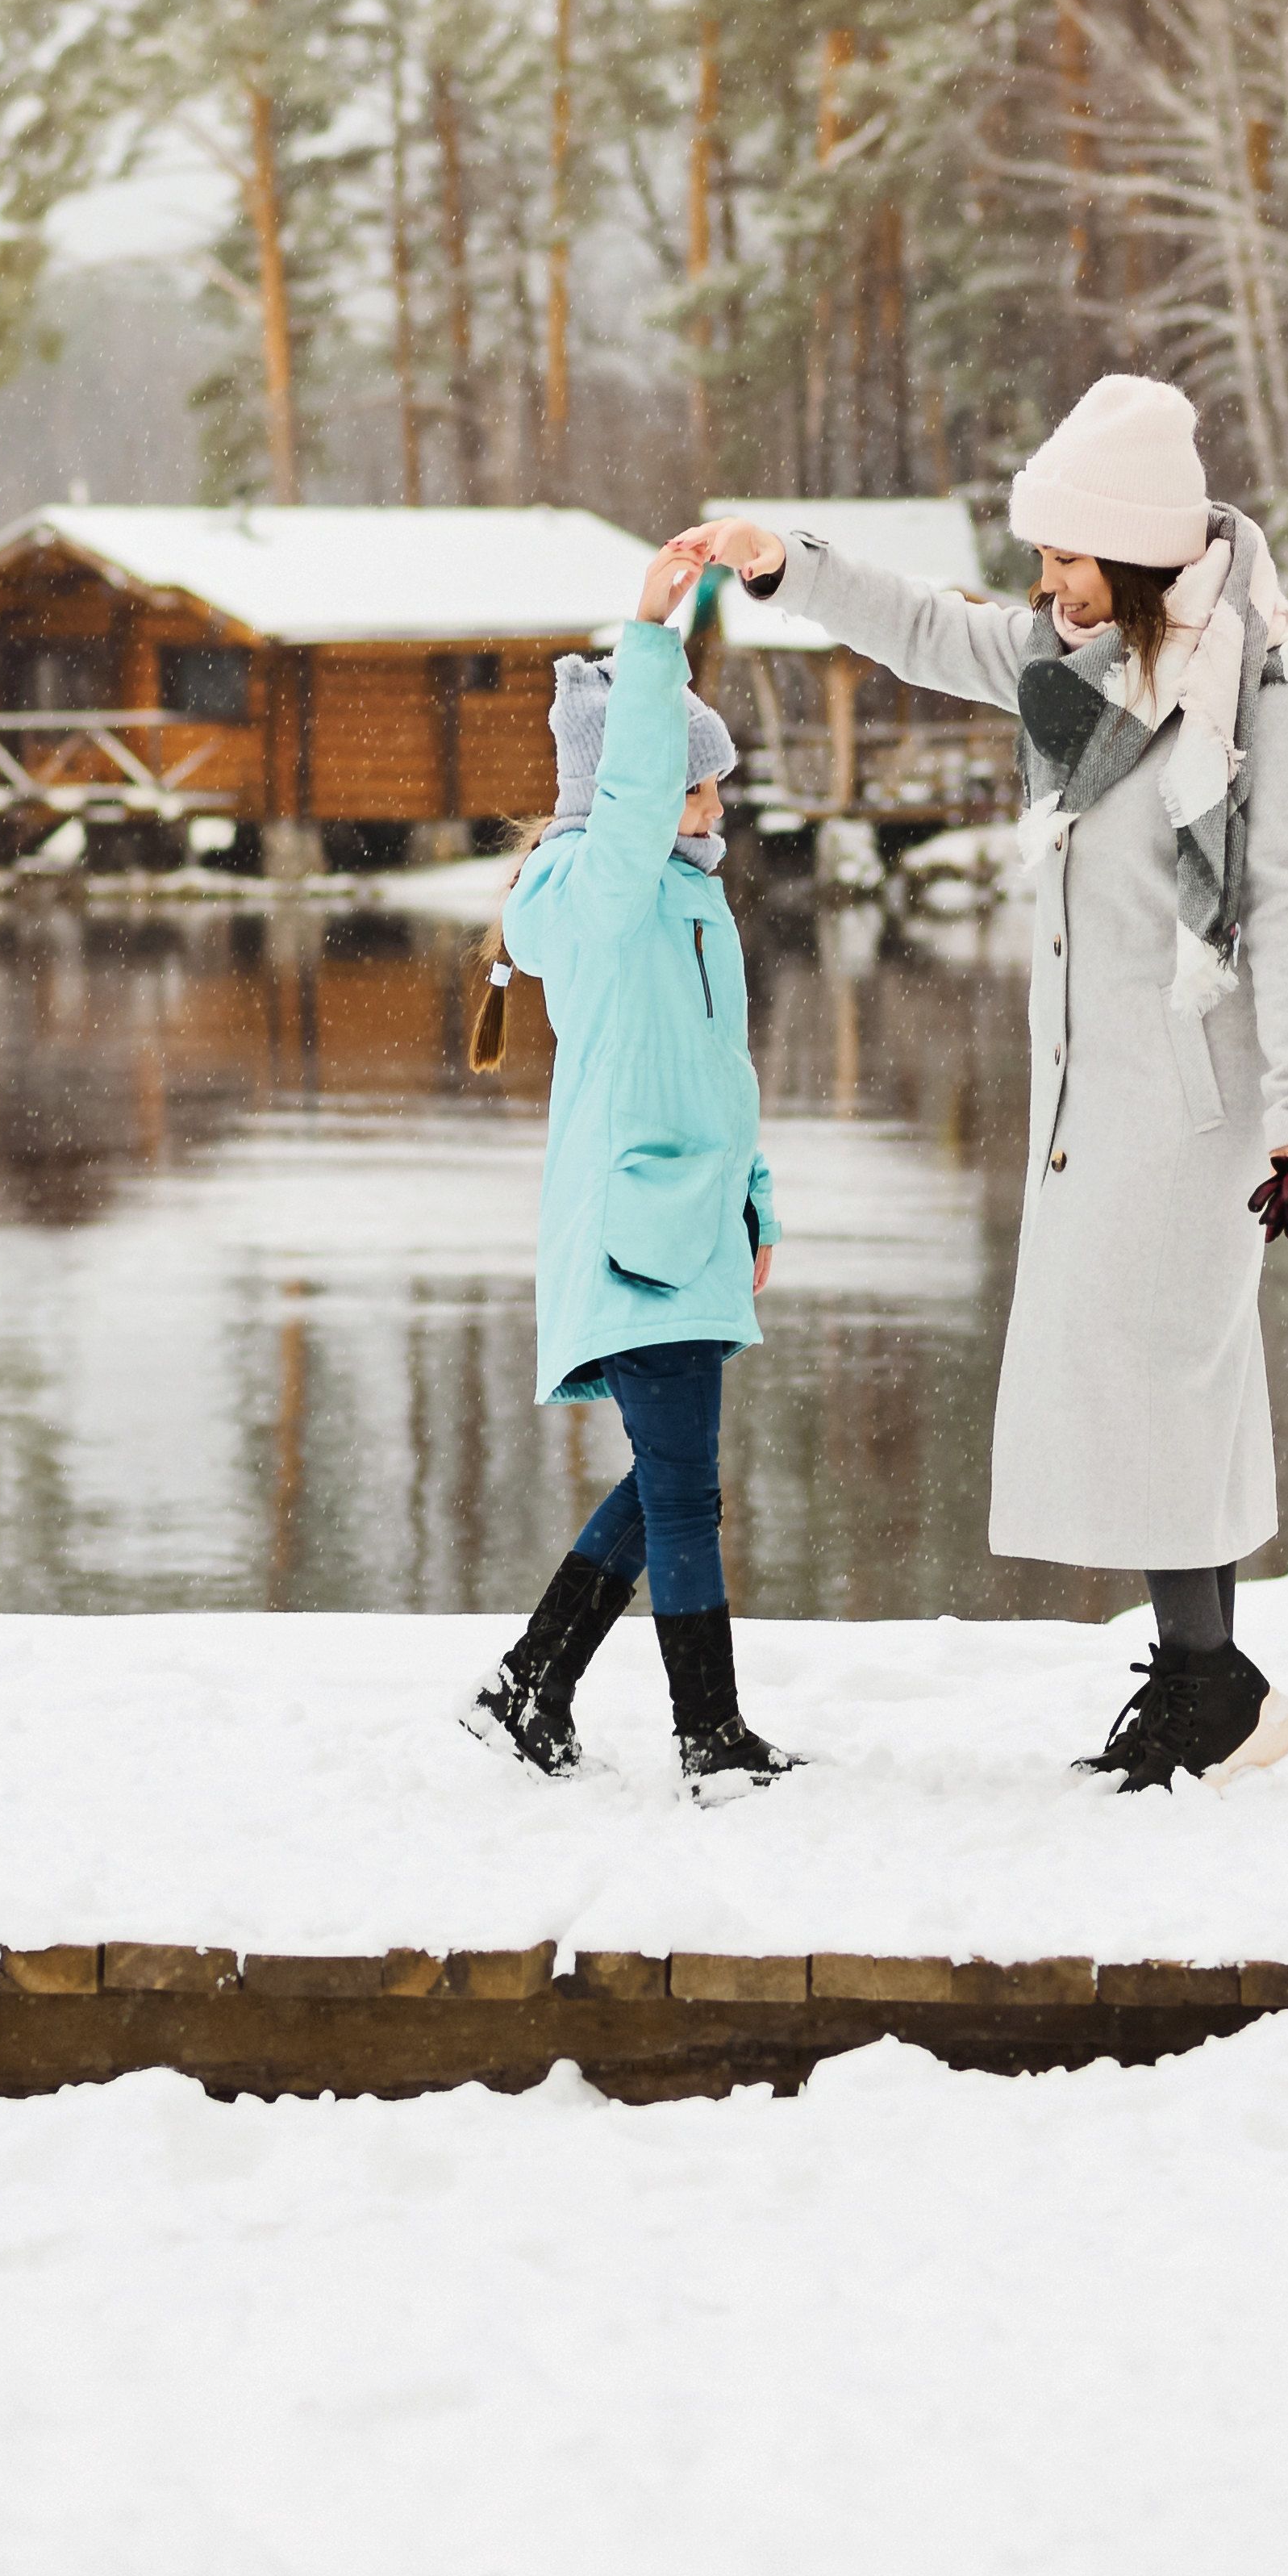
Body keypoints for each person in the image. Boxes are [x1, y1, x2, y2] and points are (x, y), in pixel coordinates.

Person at [667, 373, 1288, 1790]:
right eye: (1041, 563)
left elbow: (1286, 904)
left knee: (1164, 1374)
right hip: (1085, 1093)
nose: (1046, 587)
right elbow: (927, 627)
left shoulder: (1269, 695)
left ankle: (1214, 1686)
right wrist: (783, 559)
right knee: (1159, 1377)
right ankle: (1208, 1683)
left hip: (1201, 1093)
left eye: (1066, 560)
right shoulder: (1071, 669)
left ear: (1143, 555)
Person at [460, 541, 798, 1795]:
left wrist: (756, 1200)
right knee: (687, 1495)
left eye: (714, 790)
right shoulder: (593, 892)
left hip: (697, 1223)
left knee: (673, 1484)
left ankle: (527, 1685)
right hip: (634, 1225)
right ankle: (707, 1737)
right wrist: (653, 634)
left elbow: (721, 1074)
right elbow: (639, 781)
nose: (714, 808)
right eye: (694, 791)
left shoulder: (691, 901)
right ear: (635, 798)